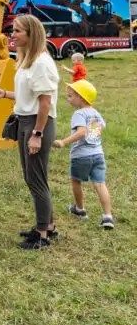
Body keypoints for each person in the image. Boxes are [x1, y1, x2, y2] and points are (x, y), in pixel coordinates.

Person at [0, 14, 59, 249]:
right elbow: (31, 96)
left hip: (38, 125)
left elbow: (45, 104)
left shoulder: (41, 62)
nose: (12, 35)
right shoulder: (28, 60)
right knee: (34, 177)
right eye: (13, 30)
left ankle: (42, 235)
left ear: (31, 34)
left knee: (36, 179)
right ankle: (48, 225)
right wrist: (5, 94)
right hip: (26, 121)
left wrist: (37, 134)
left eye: (17, 31)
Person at [53, 79, 114, 229]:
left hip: (81, 156)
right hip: (98, 154)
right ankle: (107, 216)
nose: (68, 99)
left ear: (81, 97)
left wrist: (64, 142)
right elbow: (98, 129)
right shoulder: (96, 113)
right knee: (100, 184)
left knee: (75, 181)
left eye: (70, 96)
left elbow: (81, 132)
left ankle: (79, 210)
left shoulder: (79, 113)